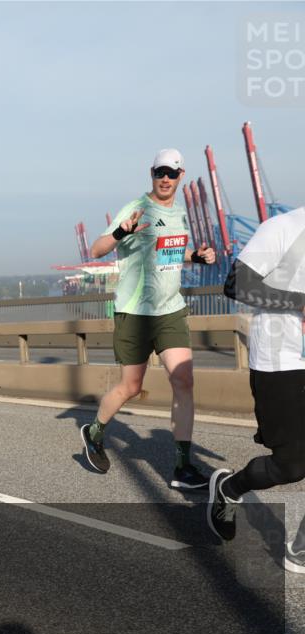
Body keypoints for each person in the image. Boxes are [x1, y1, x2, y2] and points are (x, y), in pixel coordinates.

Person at [80, 149, 216, 490]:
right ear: (152, 174)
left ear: (181, 175)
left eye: (172, 173)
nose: (166, 179)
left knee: (183, 381)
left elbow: (170, 251)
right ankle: (94, 432)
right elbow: (95, 250)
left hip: (170, 310)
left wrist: (195, 257)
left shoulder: (180, 214)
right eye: (160, 173)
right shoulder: (136, 207)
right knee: (131, 386)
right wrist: (121, 233)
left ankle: (183, 467)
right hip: (135, 313)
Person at [209, 206, 305, 574]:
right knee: (292, 465)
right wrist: (299, 302)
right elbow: (237, 284)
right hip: (280, 361)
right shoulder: (282, 227)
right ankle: (230, 488)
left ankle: (300, 550)